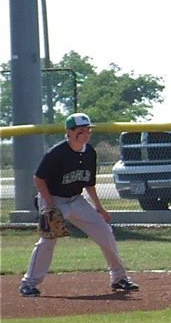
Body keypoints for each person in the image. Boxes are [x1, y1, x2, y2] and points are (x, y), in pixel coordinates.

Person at [19, 113, 138, 297]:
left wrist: (99, 207)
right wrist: (50, 205)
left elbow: (89, 184)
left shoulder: (89, 152)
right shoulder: (57, 153)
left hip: (76, 199)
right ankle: (29, 283)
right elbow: (38, 178)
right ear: (70, 132)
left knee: (105, 232)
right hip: (53, 198)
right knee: (47, 242)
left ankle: (119, 278)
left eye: (88, 130)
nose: (86, 134)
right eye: (81, 130)